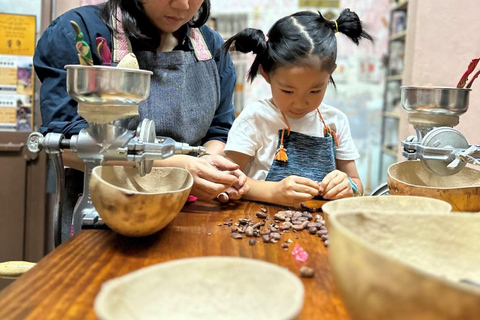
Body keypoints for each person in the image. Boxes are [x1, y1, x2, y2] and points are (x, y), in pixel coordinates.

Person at [34, 0, 247, 202]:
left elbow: (218, 131)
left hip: (188, 204)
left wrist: (207, 168)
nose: (183, 5)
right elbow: (65, 146)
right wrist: (174, 169)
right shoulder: (80, 33)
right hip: (100, 207)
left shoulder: (211, 47)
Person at [222, 9, 371, 207]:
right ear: (266, 74)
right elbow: (226, 178)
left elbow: (357, 185)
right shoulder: (256, 118)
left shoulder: (336, 121)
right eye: (287, 91)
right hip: (260, 223)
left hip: (318, 229)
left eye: (315, 91)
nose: (300, 104)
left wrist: (348, 187)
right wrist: (273, 192)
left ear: (330, 74)